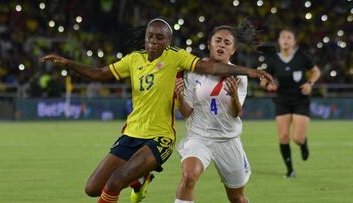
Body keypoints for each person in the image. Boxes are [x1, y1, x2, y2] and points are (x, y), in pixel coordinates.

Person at [40, 18, 272, 203]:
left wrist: (249, 72)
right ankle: (140, 181)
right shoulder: (133, 60)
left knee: (115, 182)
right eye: (150, 36)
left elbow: (210, 67)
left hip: (161, 137)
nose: (153, 41)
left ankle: (137, 178)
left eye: (160, 37)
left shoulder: (177, 58)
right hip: (134, 133)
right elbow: (101, 74)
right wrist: (68, 63)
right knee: (92, 189)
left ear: (168, 41)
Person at [173, 20, 256, 203]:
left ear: (233, 50)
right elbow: (187, 113)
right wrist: (179, 96)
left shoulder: (239, 75)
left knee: (237, 197)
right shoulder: (193, 71)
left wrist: (234, 95)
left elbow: (235, 113)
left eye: (227, 43)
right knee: (188, 177)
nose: (221, 45)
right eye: (218, 40)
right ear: (210, 44)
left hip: (227, 139)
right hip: (199, 136)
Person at [260, 29, 321, 178]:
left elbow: (316, 72)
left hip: (300, 100)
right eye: (283, 37)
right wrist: (268, 86)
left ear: (294, 42)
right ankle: (290, 170)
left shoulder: (301, 56)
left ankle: (303, 143)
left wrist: (310, 84)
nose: (286, 40)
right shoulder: (273, 59)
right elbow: (263, 80)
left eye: (289, 37)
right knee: (283, 138)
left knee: (298, 138)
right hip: (282, 100)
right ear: (279, 41)